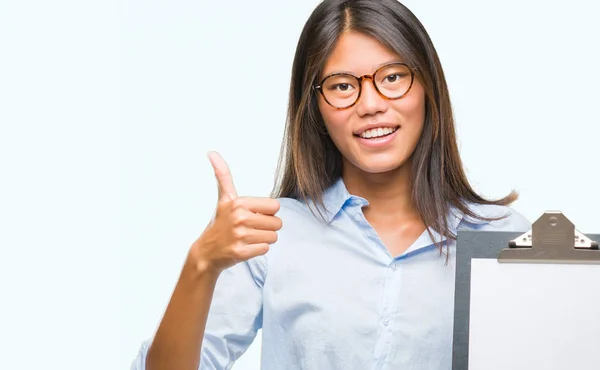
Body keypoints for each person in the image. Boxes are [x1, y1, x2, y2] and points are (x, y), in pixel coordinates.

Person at [131, 0, 531, 369]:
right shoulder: (271, 234)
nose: (370, 104)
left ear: (428, 86)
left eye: (392, 77)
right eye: (342, 86)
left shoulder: (501, 236)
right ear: (315, 106)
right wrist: (201, 264)